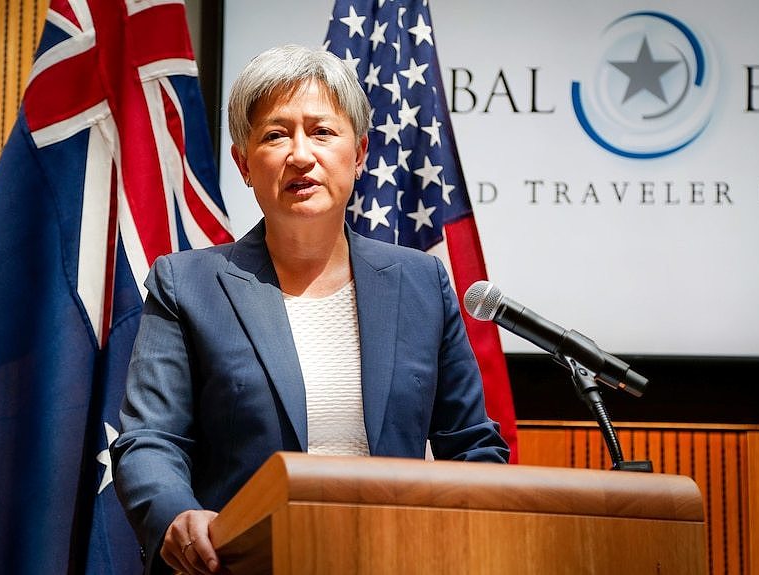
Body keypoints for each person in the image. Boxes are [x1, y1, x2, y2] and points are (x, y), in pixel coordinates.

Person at [111, 44, 509, 575]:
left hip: (394, 558)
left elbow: (471, 444)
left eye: (322, 131)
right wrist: (176, 514)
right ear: (243, 163)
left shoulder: (421, 282)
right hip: (237, 563)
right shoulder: (186, 284)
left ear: (361, 153)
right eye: (276, 134)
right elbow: (151, 439)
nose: (301, 154)